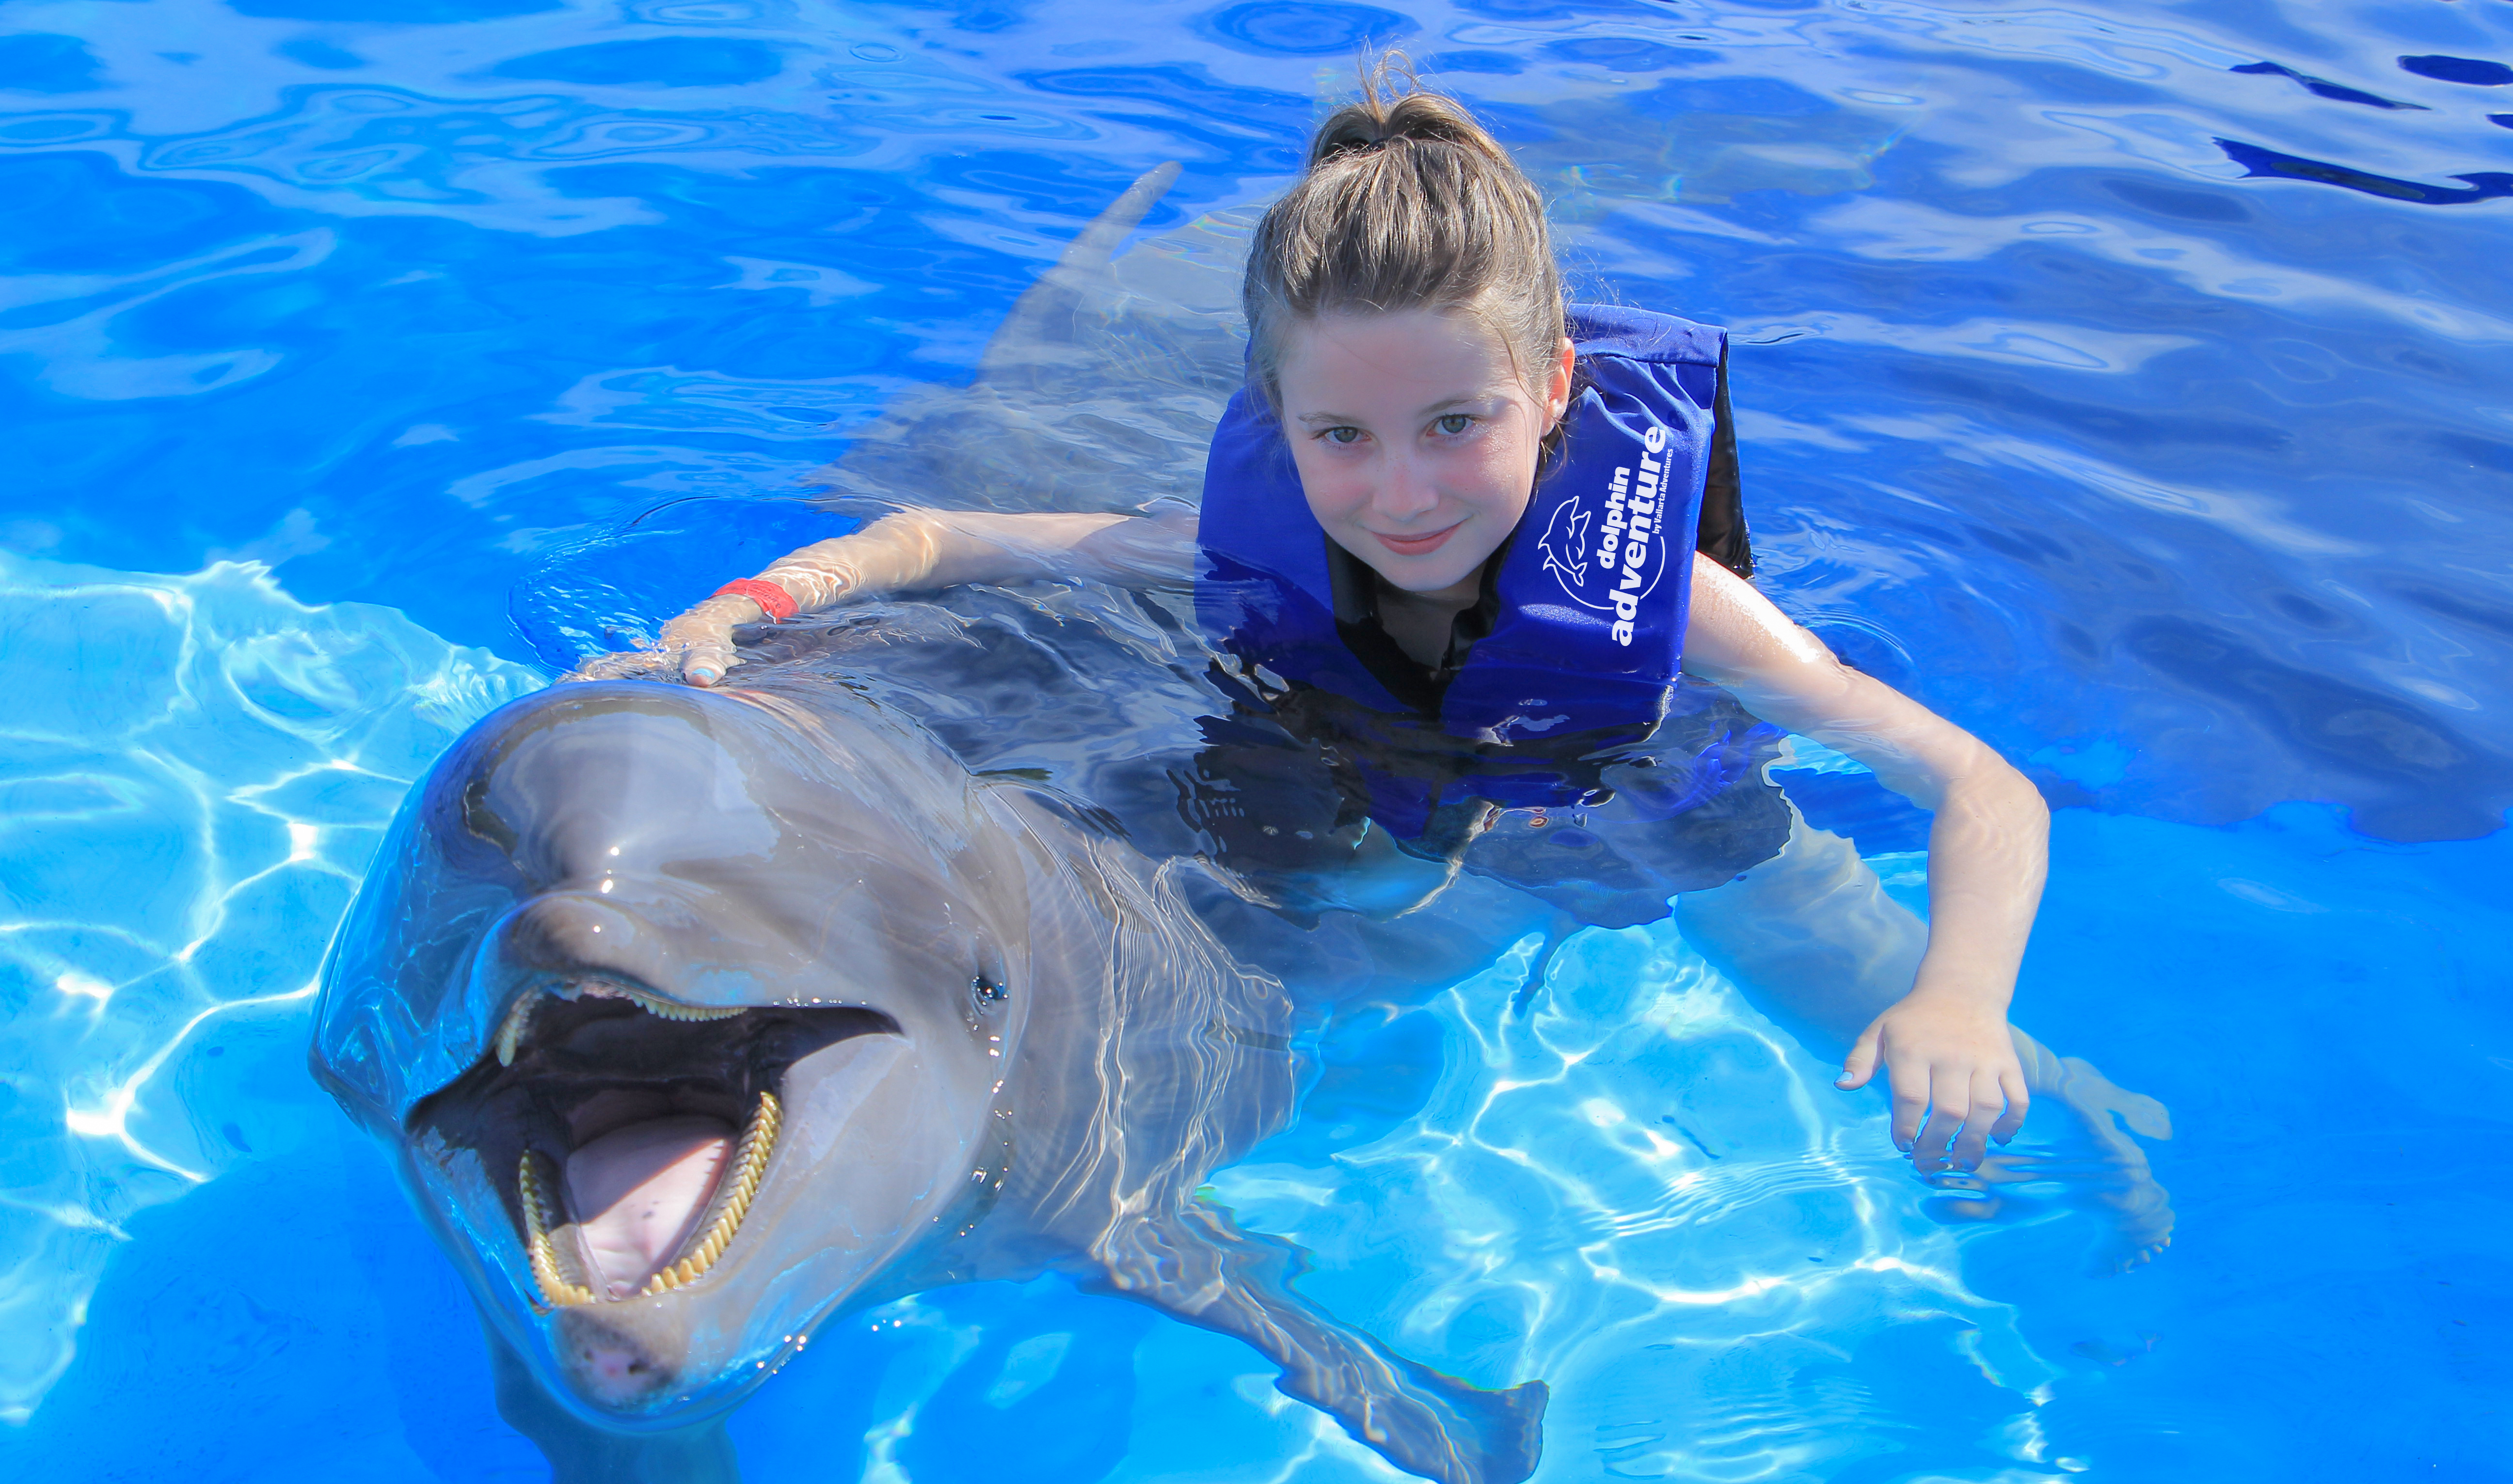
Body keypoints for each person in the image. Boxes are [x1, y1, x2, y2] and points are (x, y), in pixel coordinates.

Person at [575, 68, 2169, 1232]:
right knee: (1231, 973)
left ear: (1552, 389)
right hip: (1345, 781)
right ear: (1279, 421)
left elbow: (1980, 787)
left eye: (1457, 425)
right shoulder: (1239, 550)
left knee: (1865, 995)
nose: (1401, 493)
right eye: (1343, 434)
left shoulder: (1677, 601)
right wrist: (756, 608)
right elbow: (942, 536)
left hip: (1622, 785)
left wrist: (1962, 995)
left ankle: (2072, 1095)